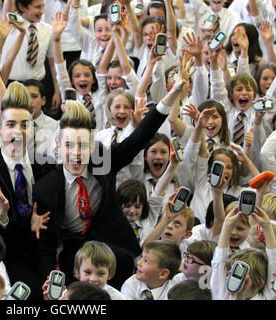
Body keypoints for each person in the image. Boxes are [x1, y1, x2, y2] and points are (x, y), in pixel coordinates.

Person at [33, 67, 191, 290]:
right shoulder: (46, 188)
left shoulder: (102, 162)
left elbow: (139, 137)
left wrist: (173, 92)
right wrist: (49, 284)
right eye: (69, 145)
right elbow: (46, 247)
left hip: (116, 246)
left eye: (83, 145)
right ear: (58, 146)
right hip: (75, 255)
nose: (76, 153)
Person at [0, 81, 54, 300]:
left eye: (25, 125)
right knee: (31, 292)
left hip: (45, 249)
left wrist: (43, 220)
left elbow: (54, 214)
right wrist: (2, 216)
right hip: (8, 254)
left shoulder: (47, 166)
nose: (18, 131)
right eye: (11, 124)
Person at [210, 205, 276, 300]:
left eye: (243, 279)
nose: (233, 280)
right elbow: (219, 260)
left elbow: (273, 262)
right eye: (230, 275)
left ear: (258, 285)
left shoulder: (265, 296)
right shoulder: (222, 291)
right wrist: (227, 224)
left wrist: (267, 227)